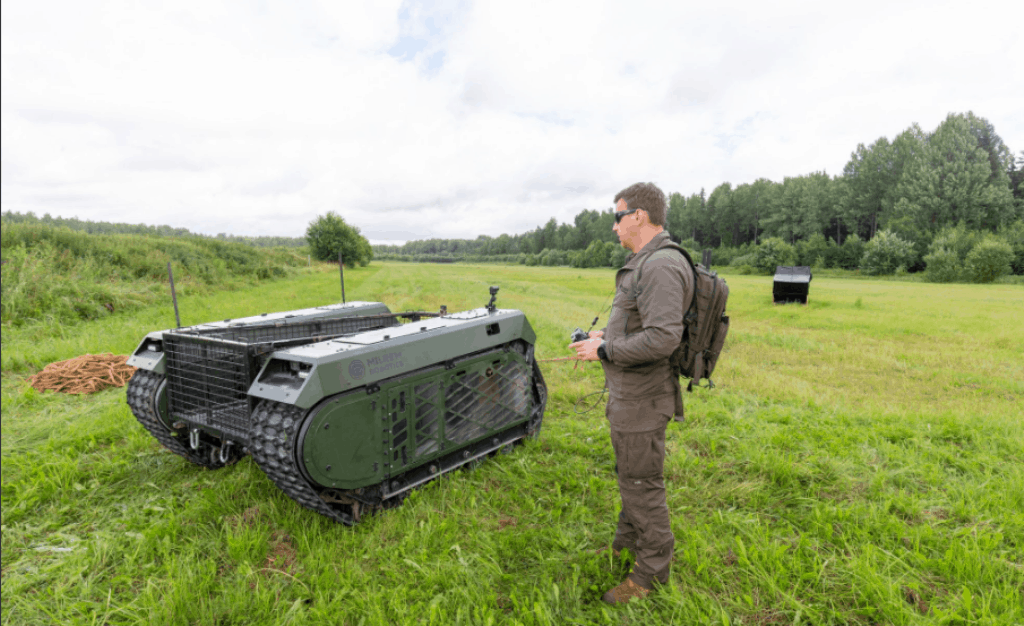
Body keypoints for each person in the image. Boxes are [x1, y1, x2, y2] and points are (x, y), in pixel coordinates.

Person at [569, 182, 693, 604]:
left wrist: (604, 348)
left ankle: (651, 574)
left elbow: (662, 338)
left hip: (643, 399)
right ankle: (626, 543)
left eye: (617, 216)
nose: (614, 226)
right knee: (630, 476)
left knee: (642, 484)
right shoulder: (646, 263)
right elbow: (644, 325)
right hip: (631, 395)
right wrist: (606, 333)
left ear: (639, 216)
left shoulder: (659, 266)